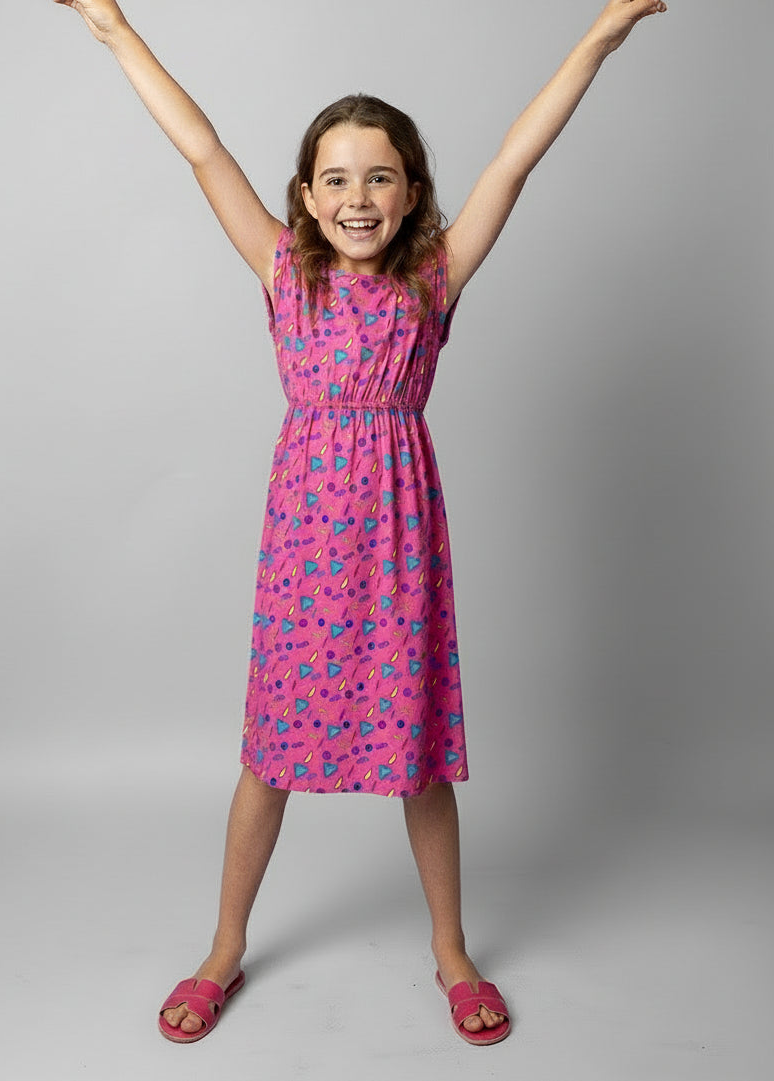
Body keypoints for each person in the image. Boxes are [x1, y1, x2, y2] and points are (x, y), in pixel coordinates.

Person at [53, 0, 668, 1048]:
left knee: (418, 754)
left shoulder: (434, 279)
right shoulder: (283, 273)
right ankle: (222, 948)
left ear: (412, 191)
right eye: (334, 177)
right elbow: (200, 145)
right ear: (304, 196)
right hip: (303, 540)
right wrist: (113, 27)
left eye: (379, 175)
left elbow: (516, 160)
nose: (356, 195)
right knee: (269, 754)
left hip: (399, 542)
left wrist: (601, 34)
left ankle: (451, 949)